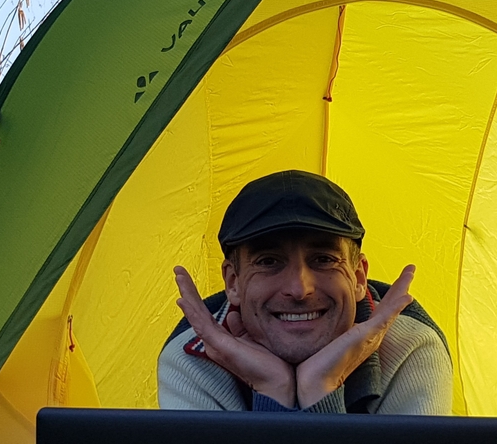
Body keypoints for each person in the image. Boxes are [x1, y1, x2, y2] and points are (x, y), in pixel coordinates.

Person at [158, 170, 452, 414]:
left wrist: (322, 386)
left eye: (323, 260)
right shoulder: (190, 359)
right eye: (269, 261)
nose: (300, 289)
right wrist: (273, 388)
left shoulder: (410, 346)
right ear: (233, 282)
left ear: (358, 276)